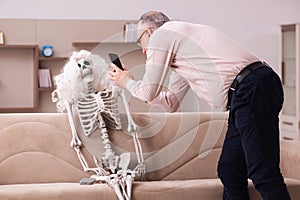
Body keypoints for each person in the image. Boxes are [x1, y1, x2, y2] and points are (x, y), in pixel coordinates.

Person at [109, 11, 291, 199]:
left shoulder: (162, 35)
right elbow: (171, 103)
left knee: (262, 172)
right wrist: (131, 84)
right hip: (250, 92)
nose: (144, 51)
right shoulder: (181, 48)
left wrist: (126, 82)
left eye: (141, 42)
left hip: (251, 89)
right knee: (230, 169)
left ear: (148, 32)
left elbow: (148, 91)